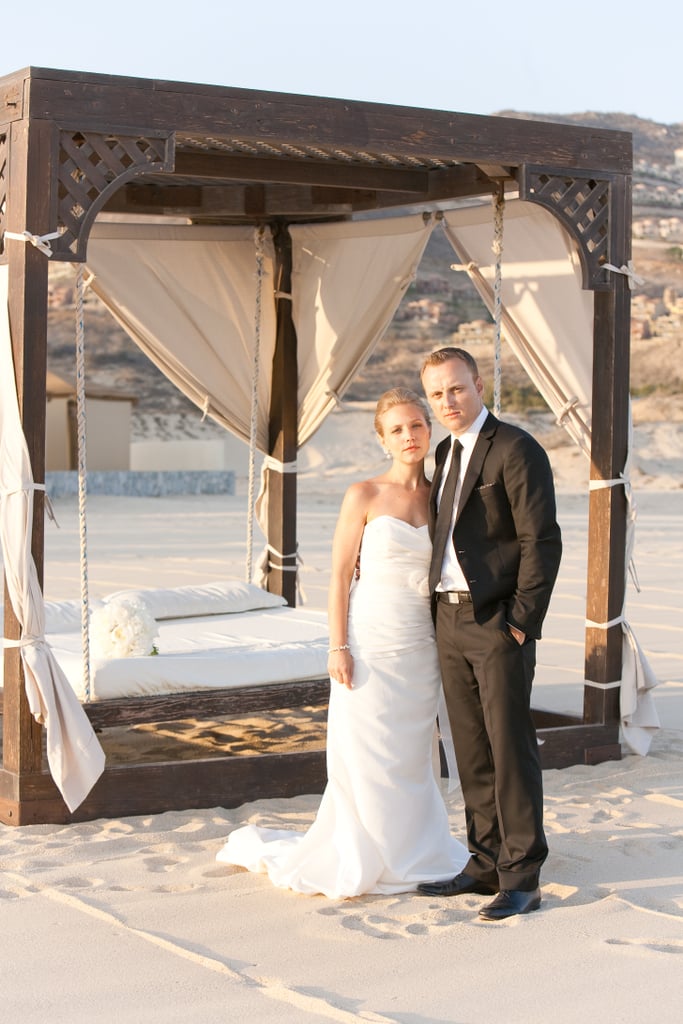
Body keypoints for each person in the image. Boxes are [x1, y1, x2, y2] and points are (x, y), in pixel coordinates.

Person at [216, 387, 468, 897]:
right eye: (396, 429)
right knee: (369, 748)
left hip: (422, 642)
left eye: (416, 425)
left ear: (430, 429)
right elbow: (336, 579)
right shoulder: (364, 495)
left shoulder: (441, 494)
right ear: (382, 439)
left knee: (413, 752)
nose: (409, 436)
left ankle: (414, 849)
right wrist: (338, 646)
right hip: (371, 638)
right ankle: (368, 851)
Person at [417, 347, 562, 921]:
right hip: (449, 621)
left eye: (455, 389)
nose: (447, 402)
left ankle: (522, 875)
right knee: (471, 750)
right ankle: (484, 862)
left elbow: (541, 540)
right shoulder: (444, 453)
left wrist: (521, 623)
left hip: (499, 624)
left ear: (478, 384)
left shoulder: (516, 448)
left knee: (510, 749)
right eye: (436, 394)